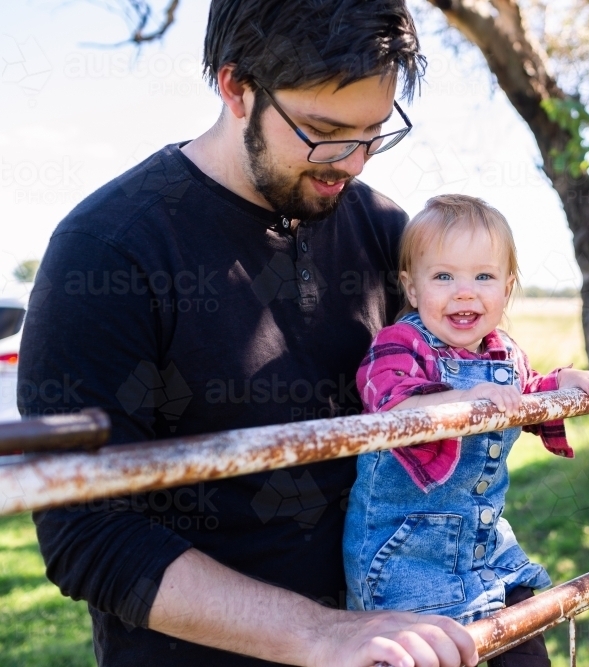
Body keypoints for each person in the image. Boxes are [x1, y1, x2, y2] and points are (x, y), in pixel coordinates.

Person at [17, 1, 478, 666]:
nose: (351, 163)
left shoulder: (382, 227)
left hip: (393, 647)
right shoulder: (108, 250)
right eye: (323, 130)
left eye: (374, 132)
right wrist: (319, 631)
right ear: (236, 87)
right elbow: (86, 532)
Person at [345, 195, 589, 666]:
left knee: (528, 630)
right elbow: (388, 402)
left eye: (483, 276)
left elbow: (523, 393)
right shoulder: (401, 344)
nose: (465, 292)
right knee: (429, 654)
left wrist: (563, 383)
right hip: (406, 557)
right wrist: (463, 399)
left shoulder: (504, 353)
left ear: (507, 289)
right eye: (444, 276)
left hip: (485, 548)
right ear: (411, 287)